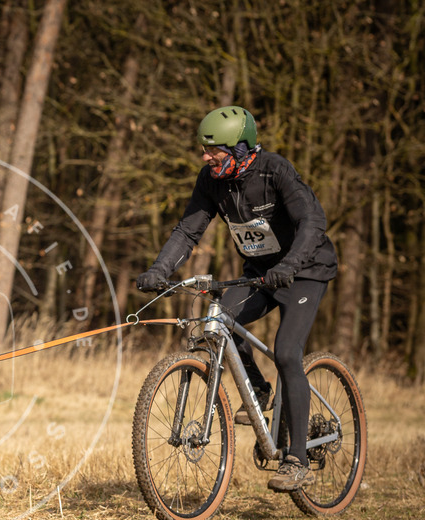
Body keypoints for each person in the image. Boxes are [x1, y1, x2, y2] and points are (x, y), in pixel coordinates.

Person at [136, 105, 338, 493]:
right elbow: (188, 231)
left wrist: (292, 264)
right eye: (204, 150)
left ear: (243, 149)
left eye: (216, 151)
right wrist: (161, 269)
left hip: (306, 269)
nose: (206, 157)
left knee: (286, 352)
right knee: (221, 319)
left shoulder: (274, 170)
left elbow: (312, 222)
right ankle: (259, 390)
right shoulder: (211, 181)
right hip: (261, 273)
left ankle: (296, 459)